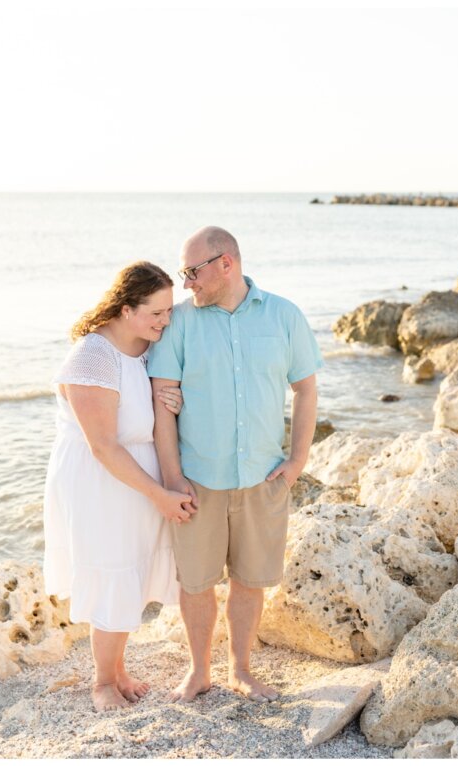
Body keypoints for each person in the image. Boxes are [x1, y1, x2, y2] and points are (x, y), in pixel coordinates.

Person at [148, 226, 322, 703]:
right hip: (197, 480)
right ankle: (199, 671)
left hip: (263, 479)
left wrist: (297, 461)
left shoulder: (284, 316)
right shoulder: (179, 322)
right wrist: (171, 478)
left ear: (226, 263)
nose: (186, 284)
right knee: (197, 583)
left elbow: (305, 389)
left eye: (192, 272)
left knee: (249, 581)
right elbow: (163, 405)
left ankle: (241, 671)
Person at [43, 261, 194, 713]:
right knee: (112, 572)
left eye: (169, 312)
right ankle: (103, 682)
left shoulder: (145, 347)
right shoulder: (92, 356)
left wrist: (176, 400)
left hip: (137, 474)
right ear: (126, 309)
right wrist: (160, 495)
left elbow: (145, 408)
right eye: (157, 313)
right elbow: (104, 447)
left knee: (130, 573)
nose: (166, 322)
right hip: (102, 481)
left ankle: (120, 668)